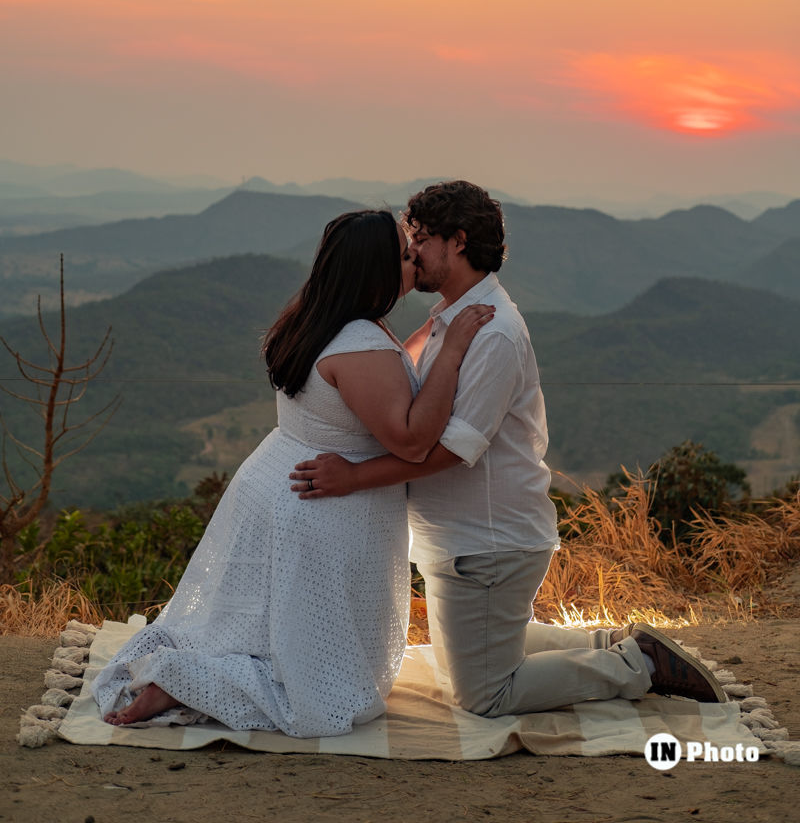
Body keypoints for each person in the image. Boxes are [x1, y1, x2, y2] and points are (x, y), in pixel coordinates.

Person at [291, 181, 725, 713]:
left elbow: (453, 449)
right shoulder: (452, 318)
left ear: (457, 241)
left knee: (485, 695)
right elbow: (393, 369)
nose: (411, 252)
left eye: (422, 239)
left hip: (488, 541)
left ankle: (638, 665)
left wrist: (353, 477)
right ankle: (609, 643)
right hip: (462, 536)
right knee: (467, 660)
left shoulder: (493, 333)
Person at [91, 209, 493, 737]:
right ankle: (183, 680)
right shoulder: (361, 344)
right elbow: (414, 440)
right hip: (324, 508)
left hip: (278, 484)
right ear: (373, 270)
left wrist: (428, 332)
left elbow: (378, 368)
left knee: (268, 630)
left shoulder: (315, 315)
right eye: (401, 254)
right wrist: (454, 350)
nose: (413, 257)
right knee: (337, 687)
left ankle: (188, 674)